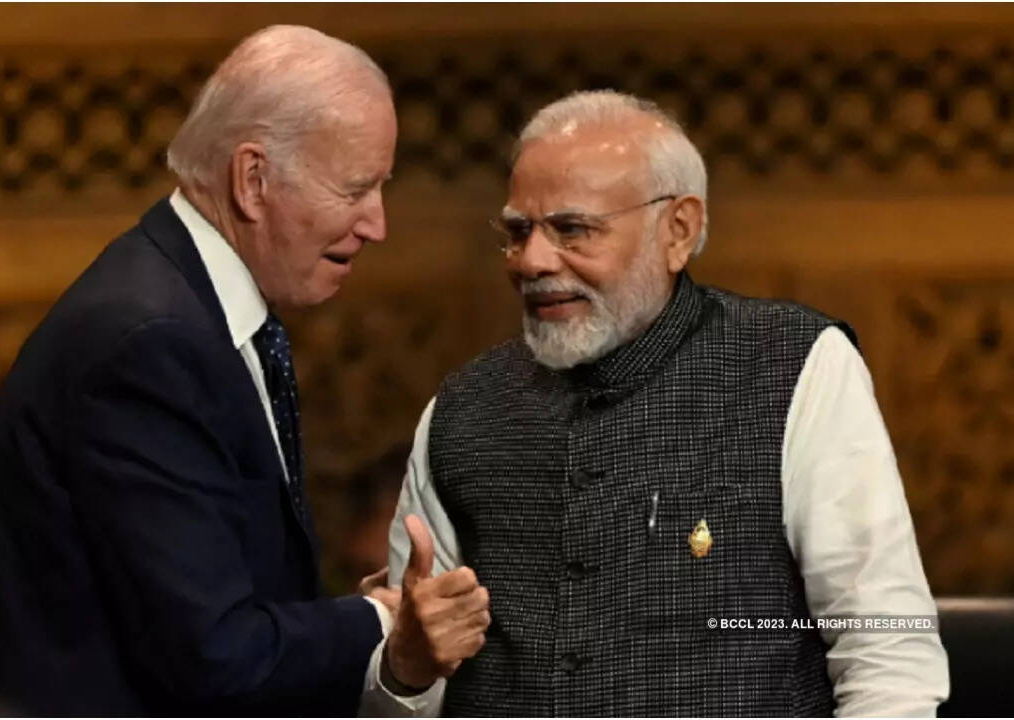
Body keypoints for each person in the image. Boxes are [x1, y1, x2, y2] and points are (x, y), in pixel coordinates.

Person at [0, 25, 487, 716]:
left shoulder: (193, 308)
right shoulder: (147, 342)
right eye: (355, 189)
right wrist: (382, 620)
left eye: (382, 188)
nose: (377, 224)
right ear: (253, 180)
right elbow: (213, 656)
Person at [363, 90, 950, 716]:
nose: (532, 261)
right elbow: (397, 698)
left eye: (571, 229)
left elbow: (886, 650)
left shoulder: (793, 365)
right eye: (517, 232)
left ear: (678, 230)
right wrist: (404, 669)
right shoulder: (463, 410)